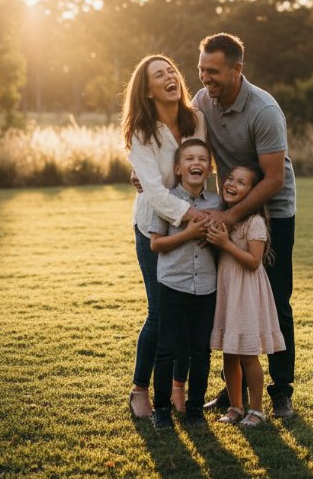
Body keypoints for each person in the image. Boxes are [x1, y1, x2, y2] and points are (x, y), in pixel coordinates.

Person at [192, 33, 299, 418]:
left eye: (214, 71)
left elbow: (273, 180)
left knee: (275, 299)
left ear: (238, 70)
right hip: (229, 208)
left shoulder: (263, 110)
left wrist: (229, 217)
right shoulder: (203, 101)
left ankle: (281, 389)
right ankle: (233, 392)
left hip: (273, 213)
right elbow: (186, 150)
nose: (205, 78)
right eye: (202, 69)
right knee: (229, 299)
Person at [121, 54, 210, 418]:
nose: (170, 76)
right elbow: (155, 192)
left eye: (171, 70)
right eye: (159, 75)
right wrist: (193, 217)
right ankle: (139, 389)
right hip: (154, 226)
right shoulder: (139, 133)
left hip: (194, 225)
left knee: (189, 313)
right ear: (147, 90)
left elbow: (201, 166)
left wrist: (208, 213)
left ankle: (178, 388)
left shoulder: (196, 119)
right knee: (160, 313)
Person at [147, 139, 221, 429]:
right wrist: (188, 233)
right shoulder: (165, 200)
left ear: (210, 168)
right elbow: (156, 244)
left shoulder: (216, 203)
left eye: (203, 159)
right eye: (189, 158)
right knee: (167, 349)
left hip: (205, 287)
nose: (196, 163)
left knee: (201, 351)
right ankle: (162, 409)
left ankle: (194, 410)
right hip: (173, 285)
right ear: (178, 168)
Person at [207, 165, 286, 427]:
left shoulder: (255, 222)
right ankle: (235, 407)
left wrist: (225, 243)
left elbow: (254, 261)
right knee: (229, 354)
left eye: (242, 182)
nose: (232, 184)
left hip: (246, 295)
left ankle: (257, 410)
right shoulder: (224, 220)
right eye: (230, 178)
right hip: (228, 293)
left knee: (248, 355)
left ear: (253, 193)